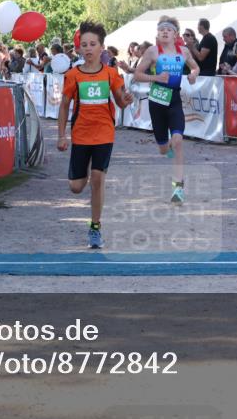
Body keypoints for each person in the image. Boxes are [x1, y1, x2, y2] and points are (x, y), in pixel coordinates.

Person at [56, 21, 134, 248]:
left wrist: (125, 100)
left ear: (102, 48)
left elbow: (120, 102)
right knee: (76, 187)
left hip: (104, 134)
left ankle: (95, 227)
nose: (88, 48)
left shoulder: (111, 74)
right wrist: (62, 136)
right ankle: (88, 177)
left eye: (92, 44)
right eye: (84, 45)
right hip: (81, 135)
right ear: (79, 49)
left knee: (98, 178)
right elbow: (63, 105)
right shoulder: (73, 75)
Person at [133, 16, 199, 204]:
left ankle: (178, 188)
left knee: (178, 141)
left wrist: (193, 75)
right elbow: (137, 75)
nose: (164, 32)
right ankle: (165, 145)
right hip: (157, 101)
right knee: (163, 149)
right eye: (161, 29)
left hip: (175, 100)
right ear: (157, 33)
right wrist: (156, 78)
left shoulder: (184, 51)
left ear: (175, 34)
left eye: (168, 29)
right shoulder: (153, 52)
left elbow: (195, 67)